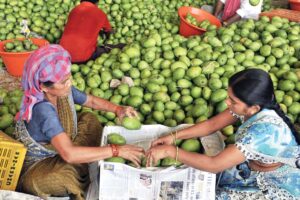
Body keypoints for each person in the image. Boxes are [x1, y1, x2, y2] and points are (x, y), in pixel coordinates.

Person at [14, 44, 144, 200]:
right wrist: (116, 151)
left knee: (89, 119)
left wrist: (118, 109)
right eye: (63, 81)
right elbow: (68, 155)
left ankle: (84, 157)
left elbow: (91, 101)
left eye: (69, 77)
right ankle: (83, 162)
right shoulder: (42, 110)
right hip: (42, 162)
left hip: (62, 143)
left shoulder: (62, 89)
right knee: (60, 177)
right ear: (43, 87)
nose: (69, 83)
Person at [146, 69, 300, 199]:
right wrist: (173, 136)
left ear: (253, 108)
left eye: (233, 101)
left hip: (276, 181)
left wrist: (171, 151)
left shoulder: (262, 133)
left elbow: (214, 165)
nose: (227, 102)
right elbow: (211, 125)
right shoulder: (251, 108)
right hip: (253, 166)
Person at [59, 0, 124, 63]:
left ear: (81, 1)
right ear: (97, 2)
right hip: (82, 57)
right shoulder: (100, 13)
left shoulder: (74, 10)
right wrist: (107, 37)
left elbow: (80, 25)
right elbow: (108, 31)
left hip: (62, 54)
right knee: (116, 48)